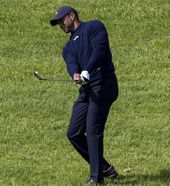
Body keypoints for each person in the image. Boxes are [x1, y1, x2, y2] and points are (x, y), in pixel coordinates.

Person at [50, 6, 119, 185]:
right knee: (73, 132)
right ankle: (103, 167)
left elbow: (100, 50)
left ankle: (96, 179)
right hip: (87, 89)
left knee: (93, 129)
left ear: (72, 16)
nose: (60, 25)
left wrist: (88, 69)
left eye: (61, 20)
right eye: (57, 23)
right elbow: (71, 62)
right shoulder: (67, 47)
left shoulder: (94, 27)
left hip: (103, 84)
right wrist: (75, 74)